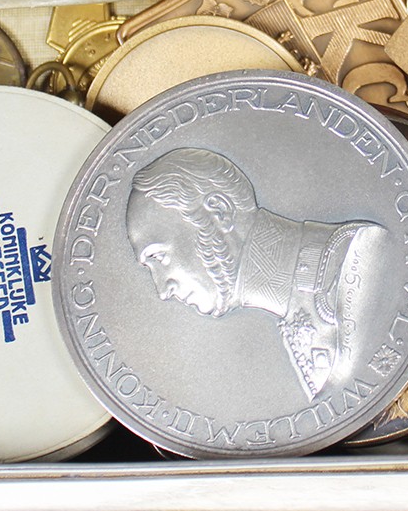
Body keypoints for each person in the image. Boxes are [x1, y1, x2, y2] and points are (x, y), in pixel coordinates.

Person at [126, 147, 387, 400]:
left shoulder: (365, 254)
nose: (163, 290)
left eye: (158, 256)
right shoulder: (292, 324)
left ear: (219, 212)